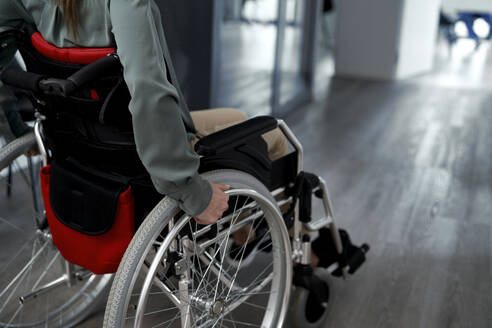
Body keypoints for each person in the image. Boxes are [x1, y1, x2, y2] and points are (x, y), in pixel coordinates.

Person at [0, 0, 287, 225]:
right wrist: (189, 191)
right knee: (273, 133)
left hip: (76, 146)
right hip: (135, 153)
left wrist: (14, 128)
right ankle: (284, 243)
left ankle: (243, 235)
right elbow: (148, 90)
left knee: (235, 116)